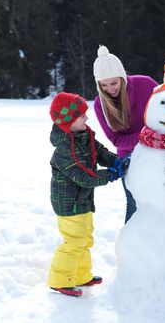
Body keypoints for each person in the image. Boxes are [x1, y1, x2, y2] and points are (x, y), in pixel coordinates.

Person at [47, 92, 128, 297]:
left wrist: (115, 161)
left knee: (85, 238)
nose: (87, 118)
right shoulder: (64, 150)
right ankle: (60, 279)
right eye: (82, 115)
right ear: (69, 121)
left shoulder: (84, 135)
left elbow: (99, 152)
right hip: (68, 204)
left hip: (82, 201)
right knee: (74, 241)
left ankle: (81, 275)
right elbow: (85, 177)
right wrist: (110, 175)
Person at [93, 45, 158, 223]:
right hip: (130, 159)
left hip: (159, 153)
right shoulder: (100, 104)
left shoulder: (145, 84)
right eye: (103, 85)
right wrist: (145, 135)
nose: (110, 89)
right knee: (134, 203)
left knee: (161, 202)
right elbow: (117, 140)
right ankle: (131, 248)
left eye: (114, 83)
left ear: (122, 77)